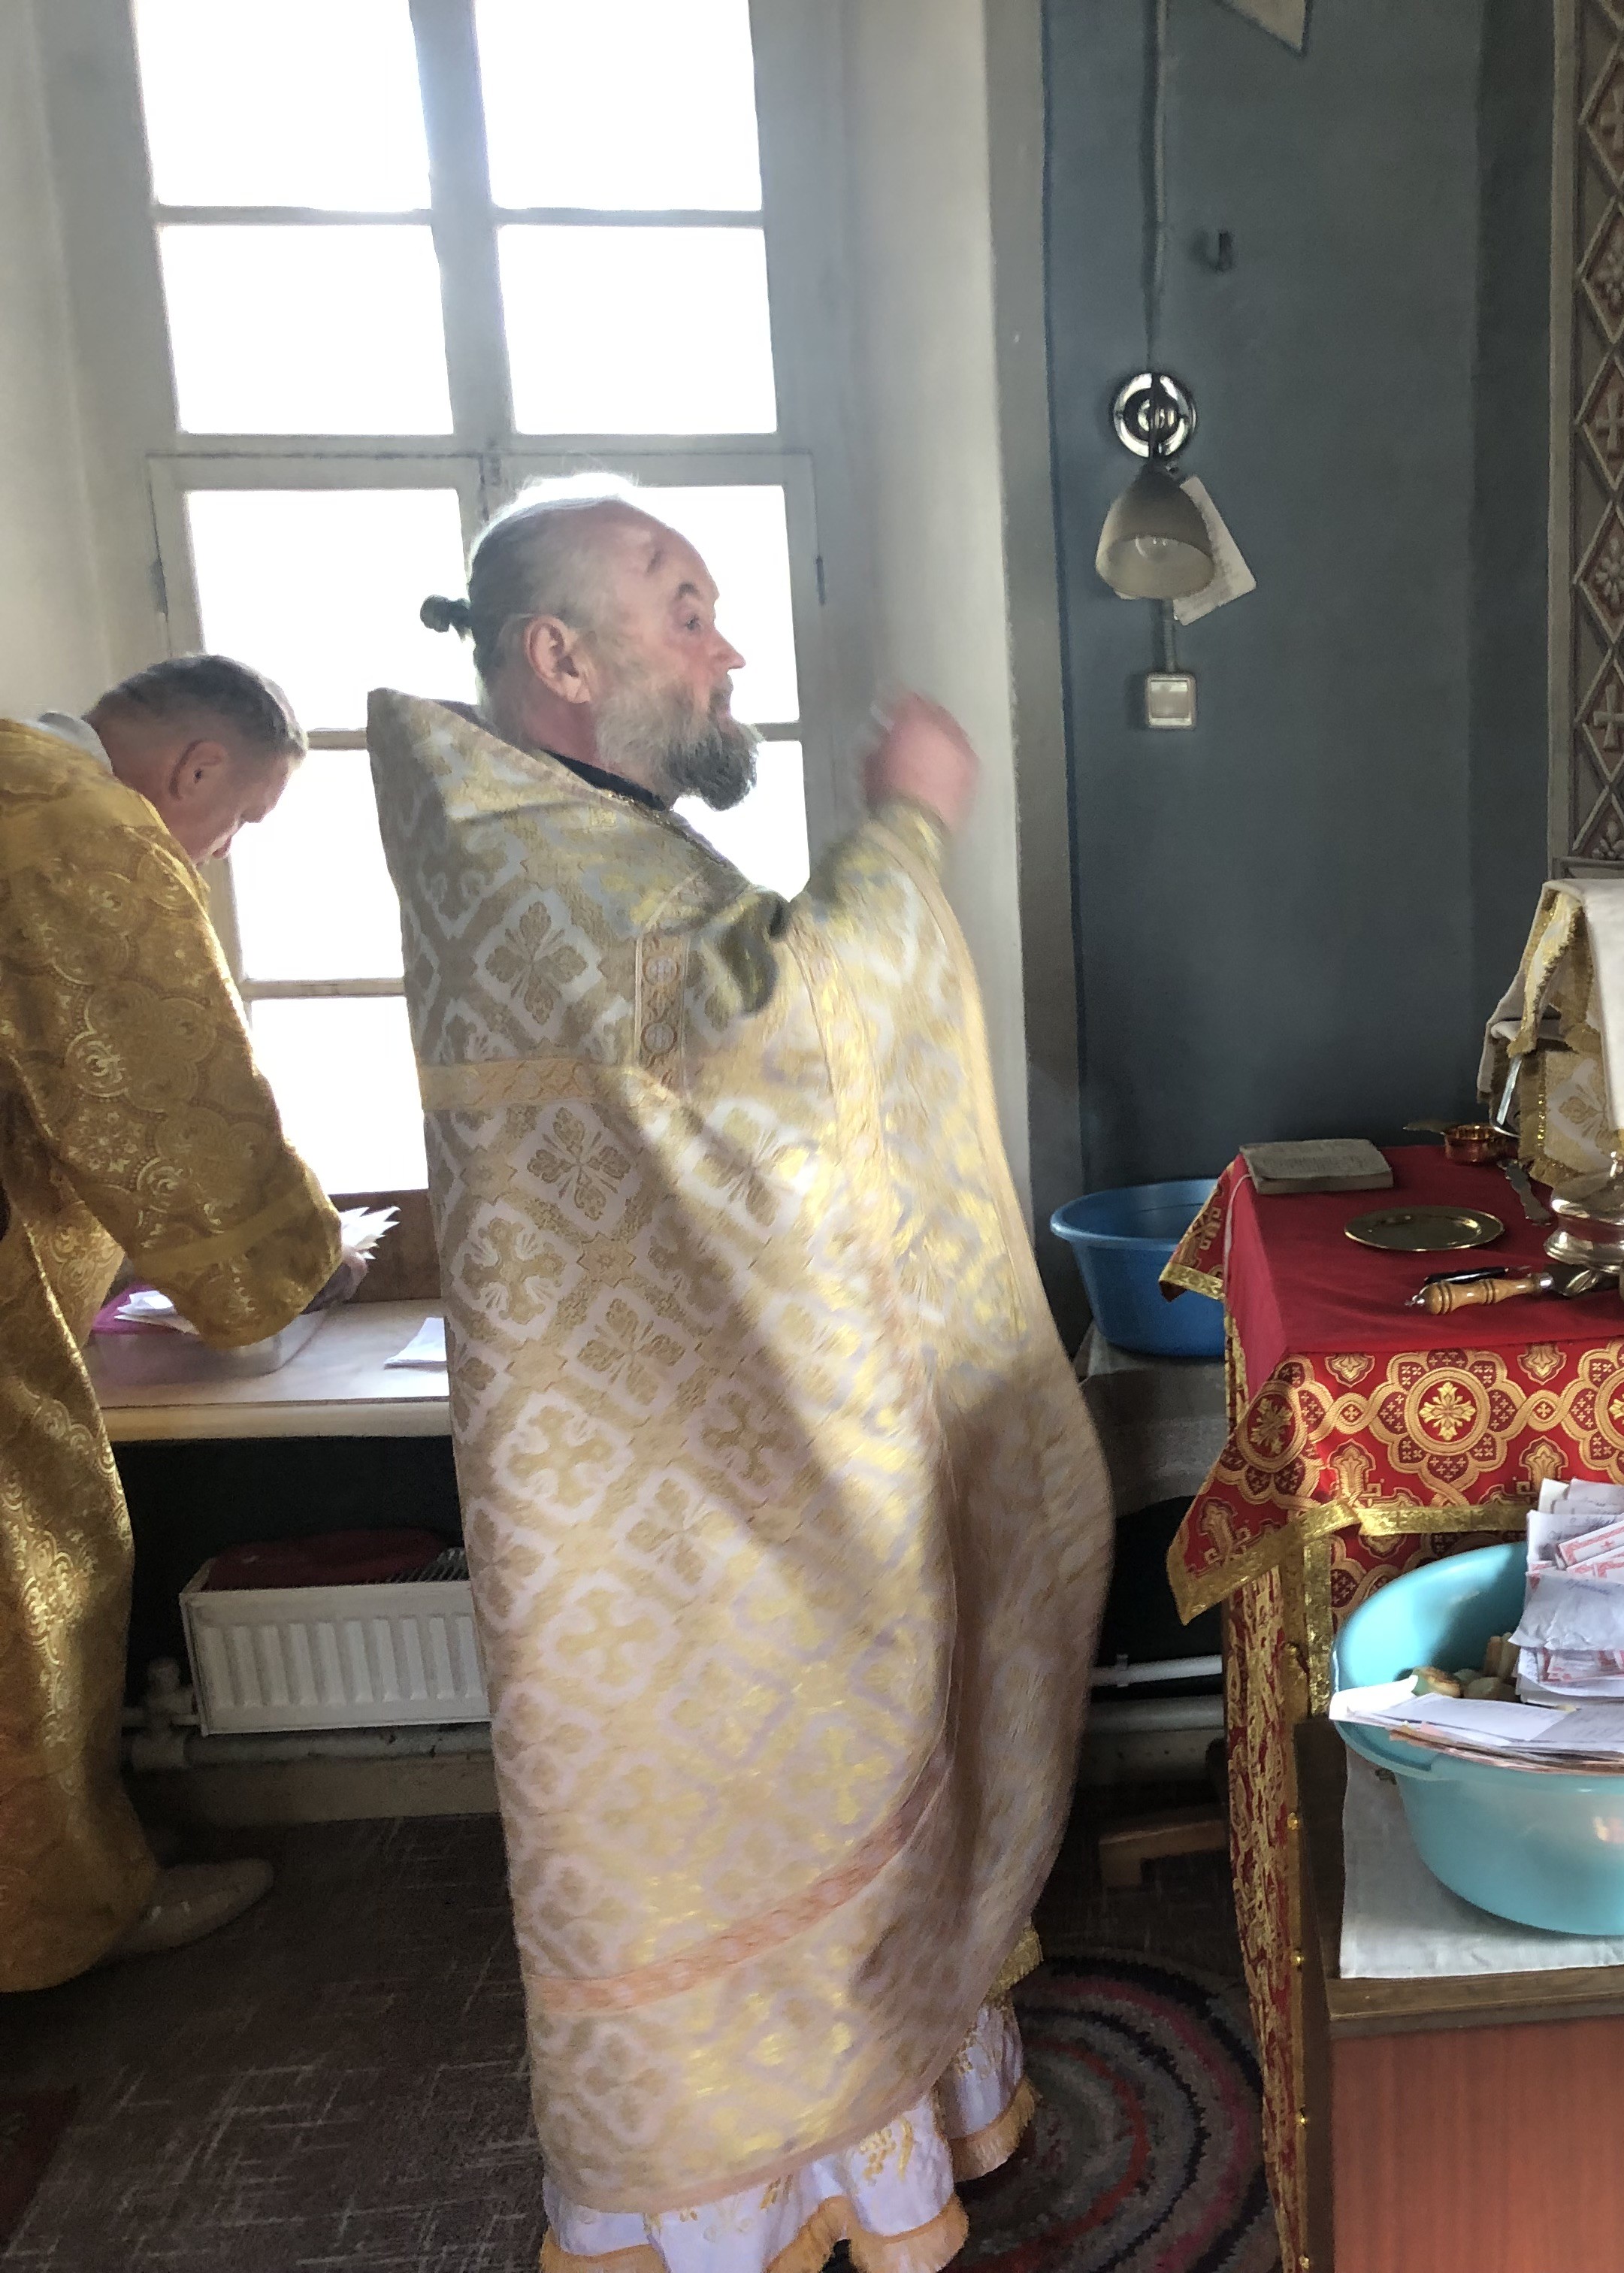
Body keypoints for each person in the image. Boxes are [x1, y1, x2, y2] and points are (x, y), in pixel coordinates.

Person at [370, 487, 1107, 2273]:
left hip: (697, 1462)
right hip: (671, 1514)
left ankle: (885, 2147)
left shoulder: (565, 840)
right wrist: (908, 824)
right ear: (560, 654)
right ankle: (736, 2202)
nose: (727, 648)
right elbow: (799, 1029)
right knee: (752, 1826)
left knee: (838, 1782)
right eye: (684, 607)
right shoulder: (531, 862)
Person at [0, 655, 348, 1990]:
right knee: (42, 1565)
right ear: (197, 767)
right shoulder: (80, 824)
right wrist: (294, 1259)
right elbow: (164, 1089)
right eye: (239, 818)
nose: (217, 852)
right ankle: (58, 1913)